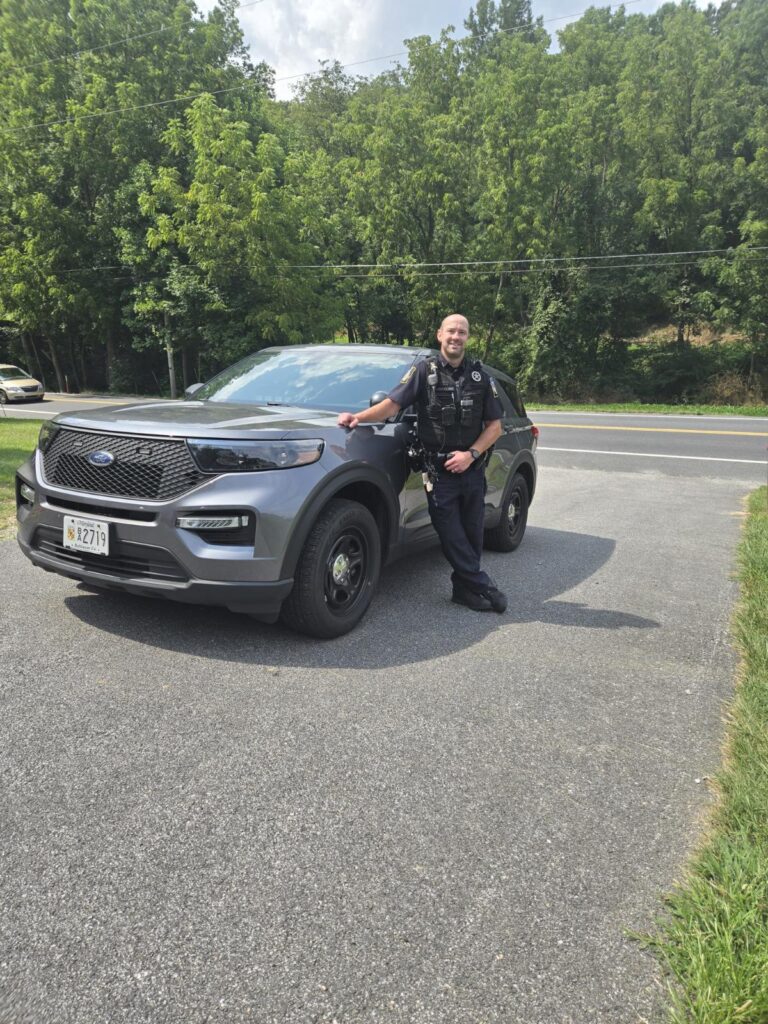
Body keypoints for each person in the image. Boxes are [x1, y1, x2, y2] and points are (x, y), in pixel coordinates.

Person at [337, 313, 507, 613]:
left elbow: (495, 426)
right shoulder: (422, 371)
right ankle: (483, 584)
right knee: (452, 534)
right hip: (439, 472)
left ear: (468, 337)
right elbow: (392, 405)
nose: (456, 337)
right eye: (451, 331)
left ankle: (464, 591)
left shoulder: (480, 377)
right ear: (440, 335)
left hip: (472, 468)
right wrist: (358, 418)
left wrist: (471, 455)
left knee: (472, 533)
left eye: (462, 332)